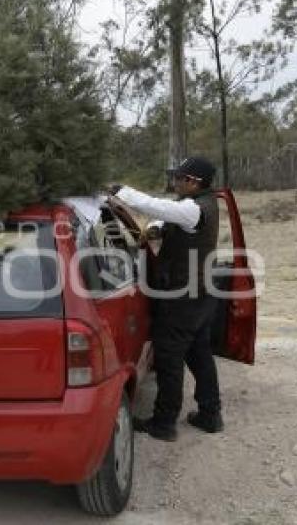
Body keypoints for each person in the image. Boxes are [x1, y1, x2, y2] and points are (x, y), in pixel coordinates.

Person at [107, 156, 223, 442]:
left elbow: (158, 206)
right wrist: (158, 227)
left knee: (170, 358)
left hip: (182, 298)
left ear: (193, 182)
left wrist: (122, 192)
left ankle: (164, 423)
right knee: (199, 354)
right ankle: (210, 414)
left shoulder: (194, 209)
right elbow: (167, 214)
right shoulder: (205, 204)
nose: (174, 182)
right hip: (201, 295)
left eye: (178, 178)